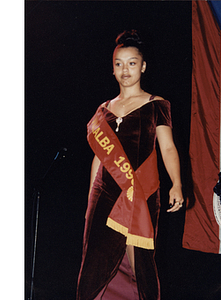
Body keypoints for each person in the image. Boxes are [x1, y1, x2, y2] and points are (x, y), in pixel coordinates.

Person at [76, 30, 184, 300]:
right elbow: (99, 159)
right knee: (94, 265)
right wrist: (91, 199)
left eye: (132, 63)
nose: (125, 70)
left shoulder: (155, 104)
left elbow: (168, 147)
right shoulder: (103, 110)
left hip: (140, 194)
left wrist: (177, 184)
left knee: (142, 264)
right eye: (119, 64)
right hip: (105, 194)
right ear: (112, 69)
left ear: (143, 66)